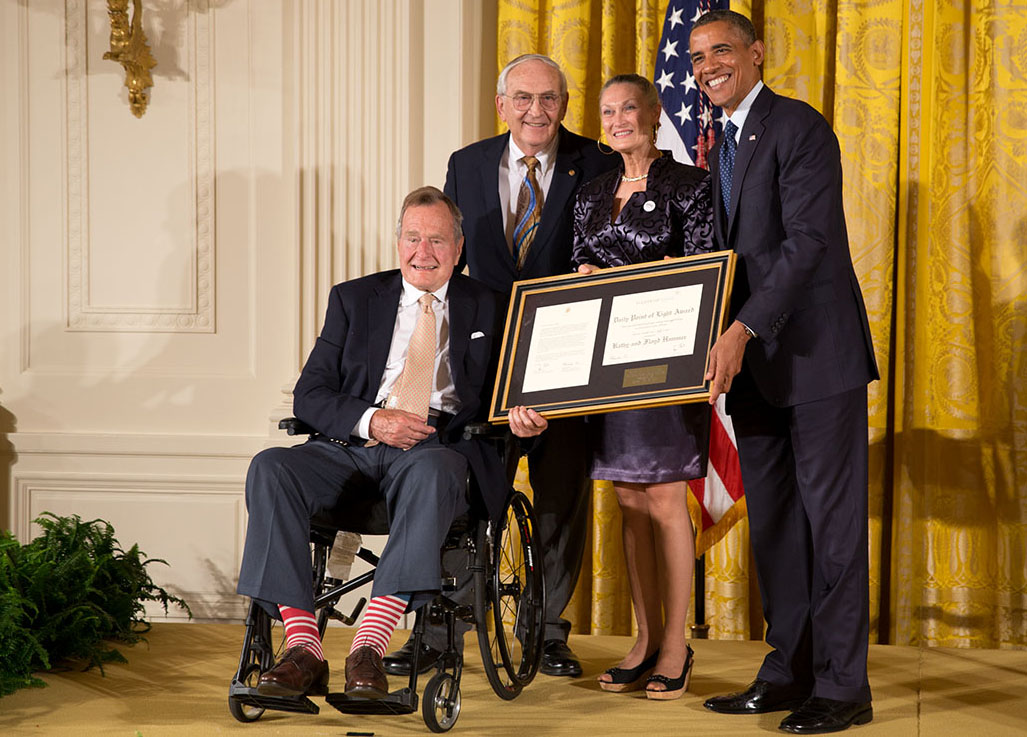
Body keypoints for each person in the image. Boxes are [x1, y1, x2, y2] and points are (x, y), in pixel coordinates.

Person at [236, 186, 547, 701]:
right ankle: (303, 647)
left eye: (437, 241)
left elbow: (518, 397)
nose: (423, 252)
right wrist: (373, 421)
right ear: (397, 240)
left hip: (435, 451)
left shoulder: (493, 307)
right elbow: (310, 395)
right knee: (270, 467)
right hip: (351, 448)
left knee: (436, 470)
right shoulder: (354, 299)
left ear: (460, 246)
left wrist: (527, 421)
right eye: (412, 238)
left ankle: (368, 648)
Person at [384, 54, 618, 679]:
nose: (535, 110)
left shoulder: (596, 162)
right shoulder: (467, 163)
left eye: (548, 99)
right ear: (501, 104)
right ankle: (440, 629)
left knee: (559, 490)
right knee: (462, 487)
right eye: (522, 98)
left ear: (565, 104)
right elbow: (447, 260)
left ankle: (546, 632)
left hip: (564, 355)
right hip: (479, 355)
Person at [691, 11, 879, 734]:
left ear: (754, 53)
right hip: (756, 368)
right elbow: (728, 258)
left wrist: (738, 328)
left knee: (831, 528)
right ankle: (788, 667)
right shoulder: (718, 143)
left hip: (815, 359)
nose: (707, 66)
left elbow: (805, 245)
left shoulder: (797, 127)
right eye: (697, 56)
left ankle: (841, 685)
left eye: (720, 52)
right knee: (775, 526)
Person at [570, 73, 714, 700]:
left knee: (663, 499)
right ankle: (645, 638)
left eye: (630, 107)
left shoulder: (690, 184)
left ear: (655, 114)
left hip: (663, 357)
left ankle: (678, 646)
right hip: (607, 364)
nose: (619, 119)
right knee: (628, 499)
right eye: (608, 111)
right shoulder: (592, 191)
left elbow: (707, 266)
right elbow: (580, 263)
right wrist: (586, 275)